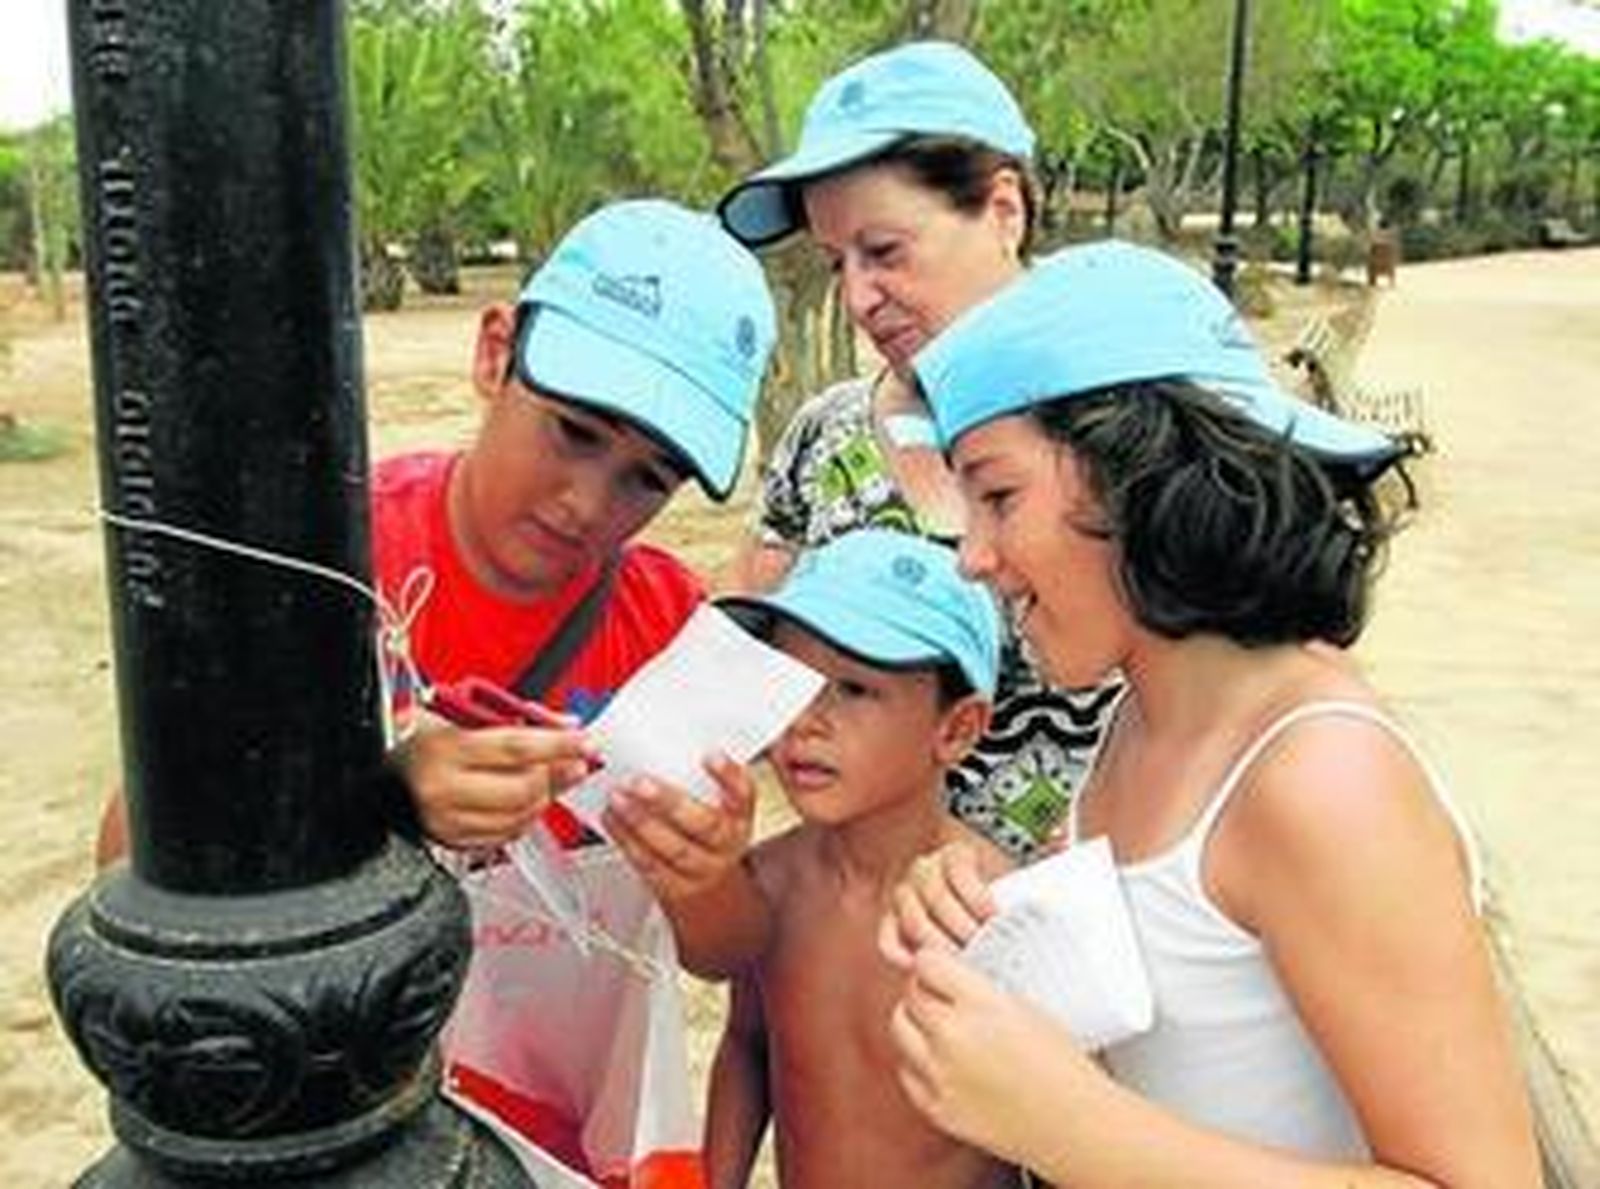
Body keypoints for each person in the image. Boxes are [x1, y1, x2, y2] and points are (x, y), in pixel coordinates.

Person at [880, 241, 1541, 1186]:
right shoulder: (1137, 720)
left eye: (998, 495)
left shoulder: (1321, 778)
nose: (972, 555)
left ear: (1136, 470)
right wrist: (984, 900)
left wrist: (1073, 1128)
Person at [98, 198, 774, 863]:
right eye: (575, 432)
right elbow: (127, 851)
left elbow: (713, 916)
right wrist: (374, 788)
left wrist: (707, 866)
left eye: (648, 478)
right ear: (495, 354)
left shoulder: (667, 633)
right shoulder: (317, 567)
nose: (587, 504)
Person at [716, 39, 1119, 861]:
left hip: (1079, 920)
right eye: (835, 262)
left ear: (1003, 210)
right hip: (857, 923)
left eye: (884, 250)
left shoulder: (1127, 434)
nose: (859, 297)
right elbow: (743, 673)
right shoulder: (825, 435)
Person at [696, 528, 1020, 1189]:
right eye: (792, 682)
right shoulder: (769, 882)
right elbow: (749, 1042)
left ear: (956, 728)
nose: (804, 721)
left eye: (853, 688)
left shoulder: (999, 911)